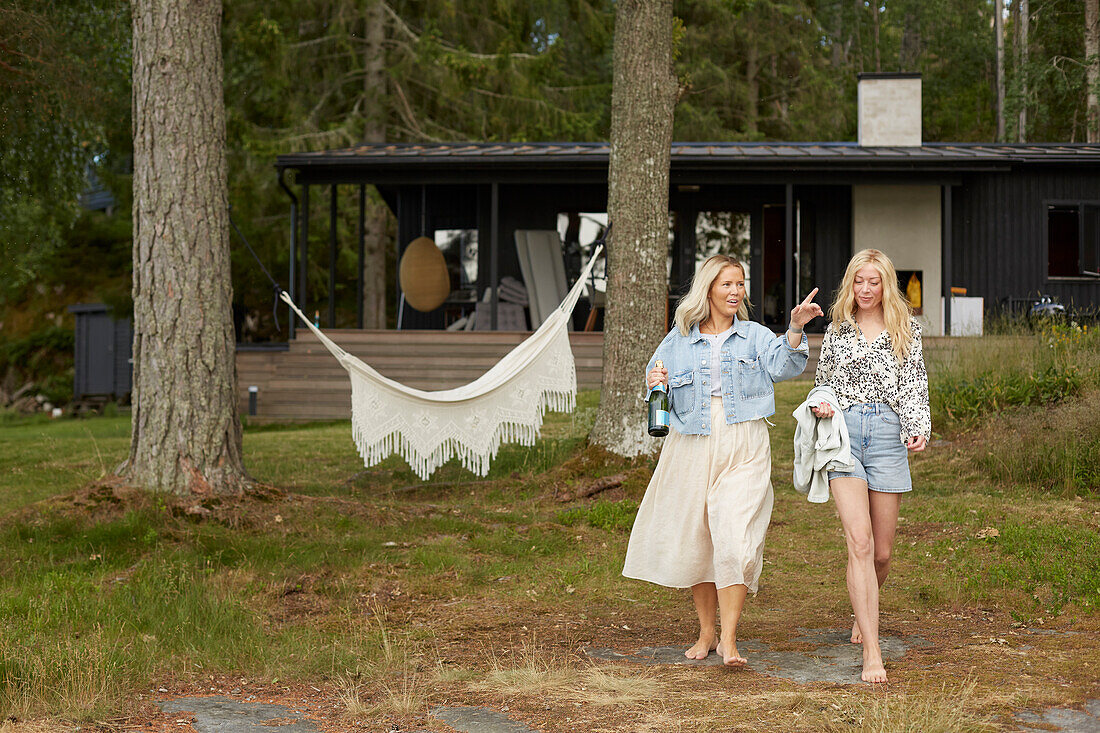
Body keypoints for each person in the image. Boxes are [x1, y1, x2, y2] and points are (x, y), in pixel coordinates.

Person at [623, 255, 822, 667]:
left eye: (740, 283)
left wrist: (796, 329)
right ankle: (706, 631)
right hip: (693, 440)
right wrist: (655, 384)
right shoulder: (677, 339)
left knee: (734, 534)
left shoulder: (754, 336)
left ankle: (729, 638)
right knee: (700, 537)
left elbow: (785, 367)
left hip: (744, 438)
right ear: (709, 289)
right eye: (727, 284)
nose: (735, 291)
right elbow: (656, 382)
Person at [811, 248, 931, 684]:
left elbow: (915, 383)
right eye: (858, 281)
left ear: (885, 285)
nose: (864, 289)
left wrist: (918, 427)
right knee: (858, 544)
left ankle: (863, 608)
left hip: (886, 435)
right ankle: (872, 654)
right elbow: (824, 383)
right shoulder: (838, 330)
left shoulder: (906, 329)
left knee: (880, 554)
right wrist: (824, 405)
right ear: (851, 283)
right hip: (844, 435)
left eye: (873, 282)